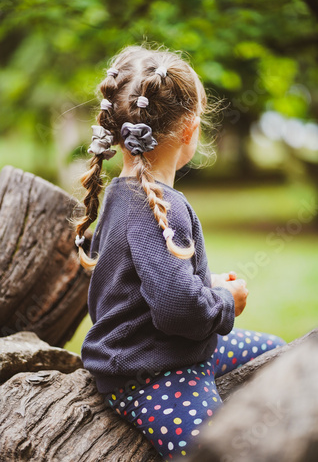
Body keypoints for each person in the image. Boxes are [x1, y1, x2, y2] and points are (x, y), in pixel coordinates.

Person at [75, 45, 286, 461]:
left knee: (279, 354)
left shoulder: (120, 195)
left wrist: (201, 284)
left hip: (170, 350)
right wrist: (225, 302)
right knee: (219, 454)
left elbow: (139, 283)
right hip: (152, 374)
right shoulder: (162, 209)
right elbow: (178, 312)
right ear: (190, 129)